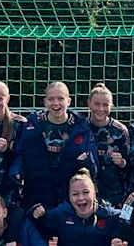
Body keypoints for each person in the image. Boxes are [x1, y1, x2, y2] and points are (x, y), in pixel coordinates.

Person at [11, 81, 98, 212]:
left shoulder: (81, 126)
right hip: (37, 192)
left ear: (68, 101)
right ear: (45, 102)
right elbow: (20, 153)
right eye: (51, 99)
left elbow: (93, 164)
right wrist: (16, 172)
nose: (56, 103)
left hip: (69, 196)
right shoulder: (33, 124)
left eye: (60, 98)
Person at [86, 83, 131, 207]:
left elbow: (130, 165)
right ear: (89, 103)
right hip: (86, 195)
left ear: (111, 106)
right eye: (97, 104)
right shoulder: (81, 128)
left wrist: (121, 162)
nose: (101, 109)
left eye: (105, 105)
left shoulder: (120, 130)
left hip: (115, 195)